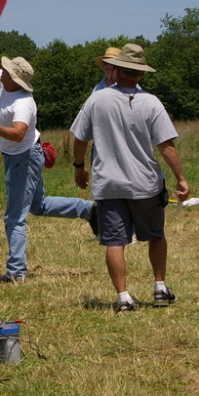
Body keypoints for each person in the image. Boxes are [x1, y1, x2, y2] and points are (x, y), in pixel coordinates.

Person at [0, 34, 96, 283]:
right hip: (18, 156)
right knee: (39, 206)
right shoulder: (5, 83)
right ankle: (90, 210)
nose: (0, 70)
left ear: (15, 78)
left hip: (24, 158)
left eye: (5, 70)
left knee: (14, 217)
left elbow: (18, 133)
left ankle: (16, 272)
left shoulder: (24, 103)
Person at [70, 43, 191, 312]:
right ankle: (160, 287)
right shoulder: (151, 102)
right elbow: (166, 145)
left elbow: (80, 137)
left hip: (108, 184)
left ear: (117, 69)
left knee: (114, 241)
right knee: (156, 235)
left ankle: (123, 297)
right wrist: (180, 178)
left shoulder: (96, 100)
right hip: (144, 183)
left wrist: (79, 166)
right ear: (141, 73)